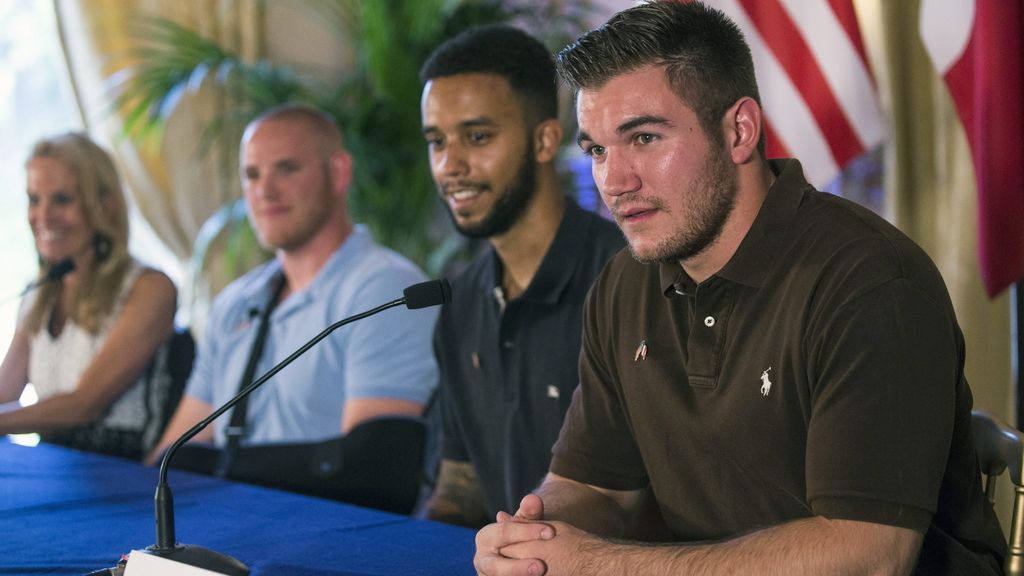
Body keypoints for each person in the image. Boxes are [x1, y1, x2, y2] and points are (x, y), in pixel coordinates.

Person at [474, 2, 1006, 575]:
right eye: (597, 150)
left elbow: (869, 557)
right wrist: (536, 535)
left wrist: (600, 565)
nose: (615, 181)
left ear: (739, 130)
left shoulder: (871, 282)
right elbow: (595, 486)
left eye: (645, 138)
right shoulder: (626, 280)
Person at [150, 104, 438, 468]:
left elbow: (369, 472)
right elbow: (171, 454)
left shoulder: (388, 291)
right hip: (223, 515)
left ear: (338, 173)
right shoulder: (234, 302)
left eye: (287, 169)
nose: (265, 191)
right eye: (252, 175)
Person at [419, 25, 625, 527]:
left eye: (478, 137)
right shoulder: (459, 298)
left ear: (545, 140)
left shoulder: (627, 281)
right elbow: (459, 487)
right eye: (436, 141)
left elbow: (643, 501)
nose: (450, 165)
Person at [0, 132, 178, 460]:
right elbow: (4, 392)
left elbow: (84, 404)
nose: (43, 215)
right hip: (53, 468)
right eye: (34, 199)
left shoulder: (150, 288)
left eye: (62, 200)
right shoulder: (38, 293)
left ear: (105, 205)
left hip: (121, 477)